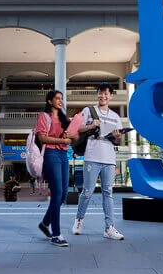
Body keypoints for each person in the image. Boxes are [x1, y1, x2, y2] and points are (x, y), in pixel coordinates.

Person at [72, 83, 125, 240]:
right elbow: (76, 128)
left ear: (111, 96)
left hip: (109, 158)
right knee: (87, 191)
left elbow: (119, 139)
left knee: (108, 192)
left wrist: (117, 135)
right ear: (97, 94)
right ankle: (79, 220)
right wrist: (90, 125)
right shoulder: (89, 110)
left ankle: (109, 228)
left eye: (106, 94)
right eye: (100, 94)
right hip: (92, 157)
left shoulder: (115, 116)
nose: (103, 96)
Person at [35, 90, 75, 247]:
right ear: (50, 101)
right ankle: (56, 234)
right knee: (57, 192)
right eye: (57, 98)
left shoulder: (64, 119)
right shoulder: (44, 116)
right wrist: (62, 140)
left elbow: (73, 134)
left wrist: (69, 137)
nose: (60, 101)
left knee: (64, 193)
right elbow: (42, 138)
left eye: (62, 98)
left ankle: (44, 223)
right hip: (51, 153)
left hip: (63, 154)